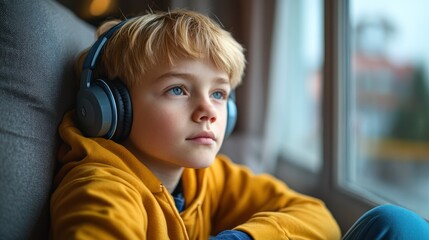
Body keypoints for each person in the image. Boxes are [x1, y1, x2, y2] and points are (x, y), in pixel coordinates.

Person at [50, 9, 429, 240]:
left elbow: (319, 219)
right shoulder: (98, 192)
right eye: (178, 89)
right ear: (113, 107)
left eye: (218, 94)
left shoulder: (205, 177)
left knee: (396, 225)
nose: (208, 111)